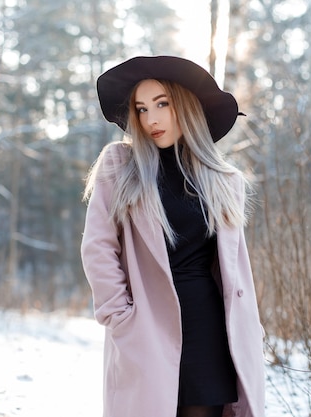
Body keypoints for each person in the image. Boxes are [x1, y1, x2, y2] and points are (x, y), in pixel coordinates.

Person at [81, 56, 266, 417]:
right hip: (145, 326)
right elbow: (98, 246)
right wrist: (119, 315)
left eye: (162, 104)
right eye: (142, 108)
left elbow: (234, 268)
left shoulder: (224, 180)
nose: (151, 119)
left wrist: (248, 330)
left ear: (185, 105)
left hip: (210, 329)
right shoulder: (120, 166)